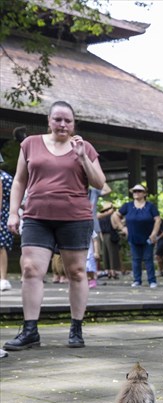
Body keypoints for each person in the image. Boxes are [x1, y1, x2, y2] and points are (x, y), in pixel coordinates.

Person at [4, 100, 106, 351]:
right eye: (57, 119)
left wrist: (83, 158)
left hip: (75, 217)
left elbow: (99, 183)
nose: (62, 124)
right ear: (48, 121)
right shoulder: (30, 144)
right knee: (30, 269)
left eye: (67, 120)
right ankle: (30, 330)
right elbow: (19, 180)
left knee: (77, 272)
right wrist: (13, 212)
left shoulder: (85, 147)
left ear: (73, 124)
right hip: (37, 215)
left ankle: (76, 328)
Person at [112, 184, 161, 288]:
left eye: (139, 191)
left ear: (144, 193)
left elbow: (157, 219)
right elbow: (116, 215)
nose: (136, 193)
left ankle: (152, 280)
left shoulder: (150, 206)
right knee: (136, 259)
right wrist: (122, 228)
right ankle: (137, 280)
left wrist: (154, 233)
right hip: (133, 236)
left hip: (148, 237)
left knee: (148, 258)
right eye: (134, 191)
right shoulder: (128, 206)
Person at [97, 199, 120, 278]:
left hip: (103, 236)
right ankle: (113, 272)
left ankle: (108, 271)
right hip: (111, 235)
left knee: (106, 254)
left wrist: (101, 238)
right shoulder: (112, 215)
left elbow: (99, 229)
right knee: (112, 253)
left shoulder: (100, 217)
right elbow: (115, 226)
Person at [1, 152, 13, 292]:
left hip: (3, 215)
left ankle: (3, 278)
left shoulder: (5, 178)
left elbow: (14, 197)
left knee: (0, 245)